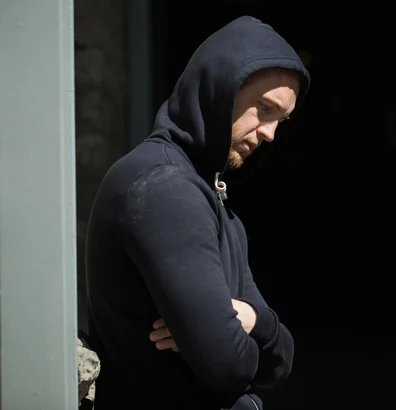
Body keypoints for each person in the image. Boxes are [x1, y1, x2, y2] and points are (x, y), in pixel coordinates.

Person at [84, 15, 310, 410]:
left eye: (281, 121)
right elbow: (225, 364)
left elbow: (282, 361)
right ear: (219, 89)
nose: (270, 134)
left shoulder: (208, 195)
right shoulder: (164, 187)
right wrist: (222, 334)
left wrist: (255, 322)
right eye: (263, 108)